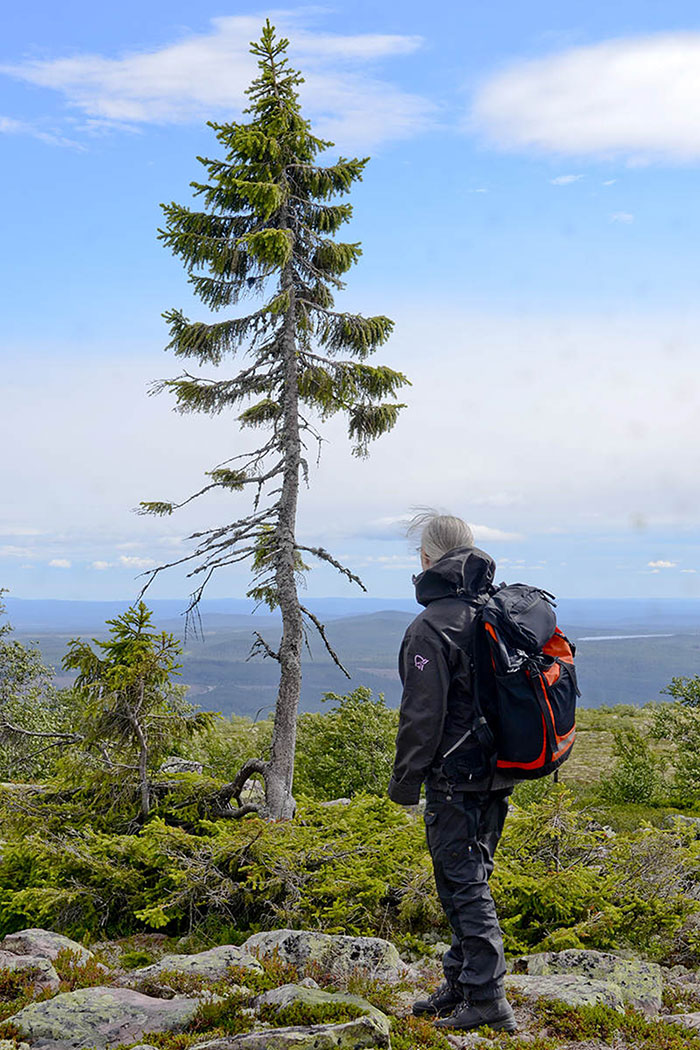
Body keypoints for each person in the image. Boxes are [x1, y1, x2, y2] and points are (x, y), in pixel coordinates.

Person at [387, 511, 517, 1034]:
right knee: (471, 875)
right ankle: (462, 982)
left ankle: (487, 997)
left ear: (426, 559)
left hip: (455, 778)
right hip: (497, 772)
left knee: (463, 886)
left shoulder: (430, 625)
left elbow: (423, 715)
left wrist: (405, 783)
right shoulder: (491, 611)